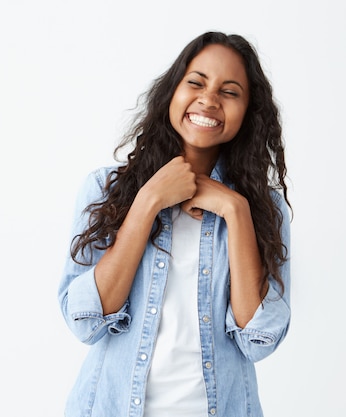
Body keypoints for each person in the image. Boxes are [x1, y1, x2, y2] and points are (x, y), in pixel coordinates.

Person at [58, 31, 291, 417]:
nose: (209, 99)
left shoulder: (265, 209)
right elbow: (87, 323)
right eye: (196, 82)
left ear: (248, 111)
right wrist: (149, 200)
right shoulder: (105, 188)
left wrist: (235, 210)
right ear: (173, 92)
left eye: (230, 91)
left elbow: (258, 341)